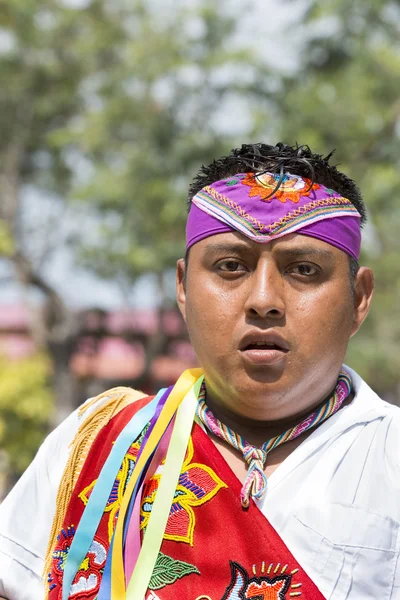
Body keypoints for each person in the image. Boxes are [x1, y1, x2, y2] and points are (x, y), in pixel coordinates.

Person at [0, 142, 399, 600]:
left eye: (303, 269)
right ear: (183, 288)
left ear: (359, 298)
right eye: (230, 266)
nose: (263, 299)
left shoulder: (392, 458)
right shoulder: (101, 445)